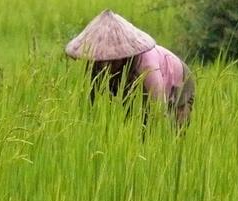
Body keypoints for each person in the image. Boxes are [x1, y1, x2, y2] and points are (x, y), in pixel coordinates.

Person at [65, 9, 195, 128]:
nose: (105, 64)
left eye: (112, 59)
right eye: (102, 58)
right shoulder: (95, 63)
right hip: (134, 83)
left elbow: (159, 110)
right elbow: (90, 104)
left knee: (174, 130)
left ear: (122, 54)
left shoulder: (147, 66)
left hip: (179, 80)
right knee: (132, 122)